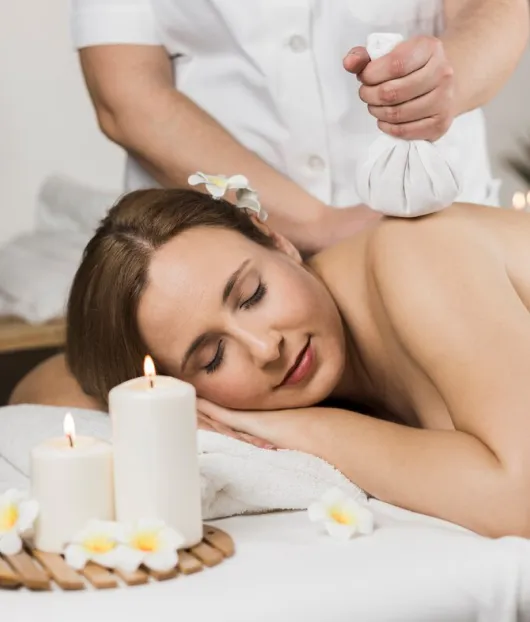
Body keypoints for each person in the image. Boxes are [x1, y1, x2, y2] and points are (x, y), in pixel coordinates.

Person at [12, 188, 530, 538]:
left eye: (253, 295)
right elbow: (41, 388)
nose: (265, 348)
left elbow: (519, 502)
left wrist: (298, 428)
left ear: (280, 244)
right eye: (213, 357)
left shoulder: (415, 254)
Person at [71, 0, 528, 253]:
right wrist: (321, 226)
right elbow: (125, 95)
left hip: (439, 237)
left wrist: (449, 77)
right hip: (229, 258)